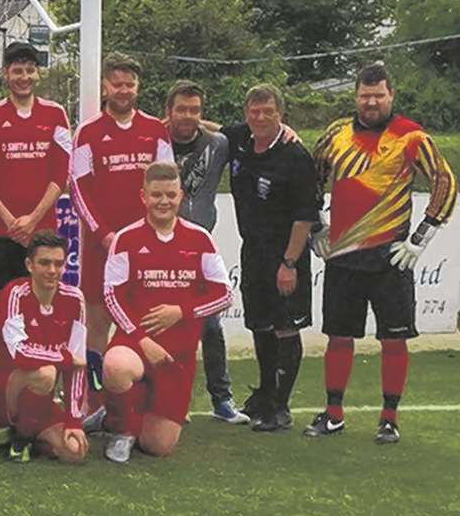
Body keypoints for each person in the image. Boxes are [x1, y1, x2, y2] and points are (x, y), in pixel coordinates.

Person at [305, 61, 458, 444]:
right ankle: (334, 413)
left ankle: (389, 418)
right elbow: (309, 174)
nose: (371, 102)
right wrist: (315, 225)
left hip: (390, 258)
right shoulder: (336, 133)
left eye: (378, 95)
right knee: (339, 337)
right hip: (342, 257)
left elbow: (444, 178)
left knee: (393, 340)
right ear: (355, 96)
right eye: (364, 95)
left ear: (391, 95)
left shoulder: (411, 136)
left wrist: (421, 236)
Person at [99, 162, 233, 463]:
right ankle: (121, 430)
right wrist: (141, 339)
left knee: (158, 446)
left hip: (177, 356)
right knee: (117, 367)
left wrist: (181, 311)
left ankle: (115, 411)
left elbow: (224, 294)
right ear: (143, 197)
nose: (163, 201)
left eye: (170, 195)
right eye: (156, 195)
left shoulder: (200, 239)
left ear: (180, 196)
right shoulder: (126, 238)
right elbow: (111, 296)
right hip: (135, 344)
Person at [224, 84, 320, 433]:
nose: (260, 117)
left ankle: (281, 406)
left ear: (281, 114)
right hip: (253, 252)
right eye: (254, 111)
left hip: (286, 255)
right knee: (260, 325)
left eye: (268, 111)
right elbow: (206, 128)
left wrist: (290, 263)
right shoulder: (241, 141)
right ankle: (265, 394)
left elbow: (305, 215)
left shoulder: (295, 155)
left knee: (285, 326)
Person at [70, 52, 174, 347]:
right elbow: (79, 189)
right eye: (117, 84)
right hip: (100, 247)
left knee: (146, 322)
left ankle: (139, 390)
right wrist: (104, 235)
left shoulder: (155, 130)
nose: (123, 90)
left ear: (138, 87)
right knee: (97, 323)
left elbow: (168, 186)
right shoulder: (88, 132)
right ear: (105, 86)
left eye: (129, 84)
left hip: (146, 245)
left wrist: (156, 233)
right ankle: (95, 392)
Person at [165, 79, 244, 425]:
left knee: (210, 324)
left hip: (199, 252)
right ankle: (160, 400)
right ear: (168, 112)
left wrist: (284, 127)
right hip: (159, 249)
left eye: (194, 110)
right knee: (159, 327)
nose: (187, 116)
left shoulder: (219, 144)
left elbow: (247, 132)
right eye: (181, 109)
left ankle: (222, 399)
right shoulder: (153, 141)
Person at [0, 42, 71, 293]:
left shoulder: (56, 114)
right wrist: (10, 220)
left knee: (39, 301)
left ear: (38, 72)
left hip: (41, 230)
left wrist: (33, 219)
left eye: (29, 70)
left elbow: (61, 173)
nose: (24, 77)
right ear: (6, 73)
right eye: (17, 71)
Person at [0, 232, 91, 464]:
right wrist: (64, 358)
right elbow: (19, 354)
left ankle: (30, 436)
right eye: (44, 263)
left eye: (58, 264)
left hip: (40, 397)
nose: (52, 270)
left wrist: (73, 421)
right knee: (46, 373)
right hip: (4, 389)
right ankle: (20, 436)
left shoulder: (75, 298)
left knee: (75, 452)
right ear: (29, 265)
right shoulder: (16, 293)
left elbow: (78, 364)